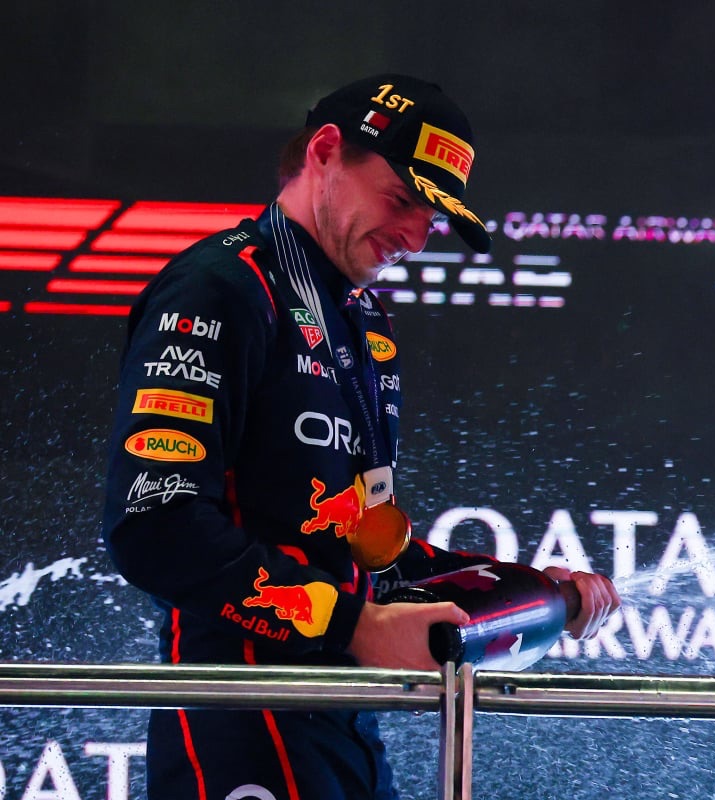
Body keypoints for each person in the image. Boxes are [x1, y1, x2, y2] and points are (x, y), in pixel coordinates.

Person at [102, 74, 620, 800]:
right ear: (324, 152)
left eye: (432, 218)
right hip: (243, 710)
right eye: (402, 200)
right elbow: (155, 526)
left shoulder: (362, 319)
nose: (414, 237)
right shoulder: (218, 288)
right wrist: (354, 626)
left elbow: (367, 548)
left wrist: (528, 589)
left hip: (340, 714)